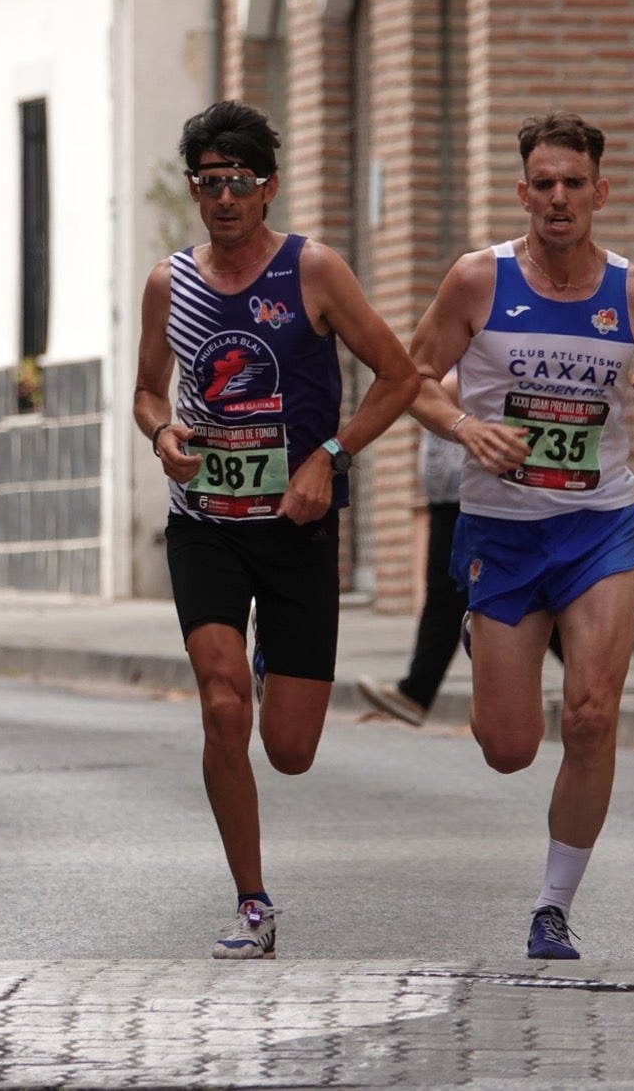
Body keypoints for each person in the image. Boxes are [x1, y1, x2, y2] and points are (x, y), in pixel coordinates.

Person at [133, 100, 419, 959]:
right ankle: (252, 904)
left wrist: (329, 454)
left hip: (295, 525)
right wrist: (162, 434)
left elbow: (400, 377)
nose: (224, 199)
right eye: (210, 183)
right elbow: (148, 392)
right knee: (224, 708)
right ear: (195, 189)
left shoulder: (315, 272)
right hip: (207, 523)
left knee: (289, 749)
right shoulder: (168, 283)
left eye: (241, 183)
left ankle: (272, 656)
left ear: (269, 190)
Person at [407, 111, 634, 959]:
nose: (558, 198)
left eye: (574, 183)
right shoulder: (476, 281)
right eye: (544, 183)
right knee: (508, 748)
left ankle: (552, 909)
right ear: (521, 190)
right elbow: (409, 380)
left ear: (599, 192)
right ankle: (481, 630)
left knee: (594, 717)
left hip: (599, 525)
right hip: (502, 527)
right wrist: (464, 428)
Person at [356, 374, 564, 726]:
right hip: (449, 499)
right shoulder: (450, 351)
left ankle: (417, 692)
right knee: (448, 598)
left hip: (475, 500)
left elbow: (425, 389)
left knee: (455, 597)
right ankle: (416, 693)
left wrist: (424, 382)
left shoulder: (479, 356)